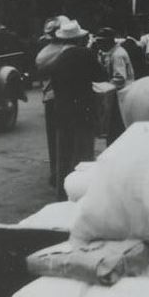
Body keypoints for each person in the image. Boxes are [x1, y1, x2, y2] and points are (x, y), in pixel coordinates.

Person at [49, 19, 107, 200]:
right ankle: (80, 196)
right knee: (82, 155)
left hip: (61, 111)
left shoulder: (56, 56)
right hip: (83, 110)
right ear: (79, 39)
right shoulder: (85, 54)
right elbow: (101, 75)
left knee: (63, 156)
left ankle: (61, 195)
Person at [35, 15, 71, 187]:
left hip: (50, 97)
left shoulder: (45, 52)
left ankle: (55, 172)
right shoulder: (64, 51)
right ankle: (62, 173)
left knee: (54, 138)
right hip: (61, 97)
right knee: (66, 137)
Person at [95, 27, 135, 145]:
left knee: (116, 127)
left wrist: (103, 87)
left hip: (122, 94)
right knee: (111, 128)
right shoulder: (107, 52)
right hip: (114, 94)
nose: (99, 44)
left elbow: (120, 78)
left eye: (101, 42)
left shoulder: (118, 54)